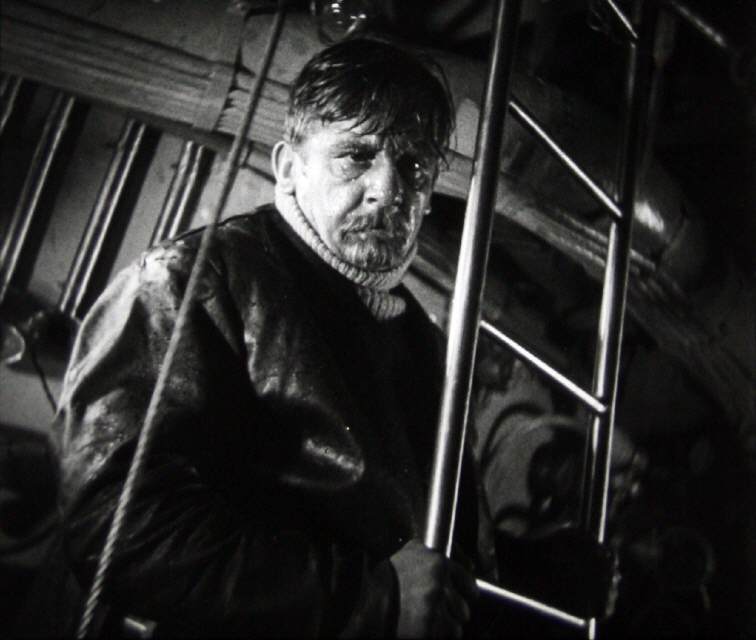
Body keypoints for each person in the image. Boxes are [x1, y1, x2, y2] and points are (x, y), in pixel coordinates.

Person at [51, 38, 494, 637]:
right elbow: (115, 526)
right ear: (288, 167)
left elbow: (441, 561)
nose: (388, 189)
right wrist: (369, 598)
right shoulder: (191, 281)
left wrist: (543, 568)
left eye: (414, 166)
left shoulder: (427, 342)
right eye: (355, 155)